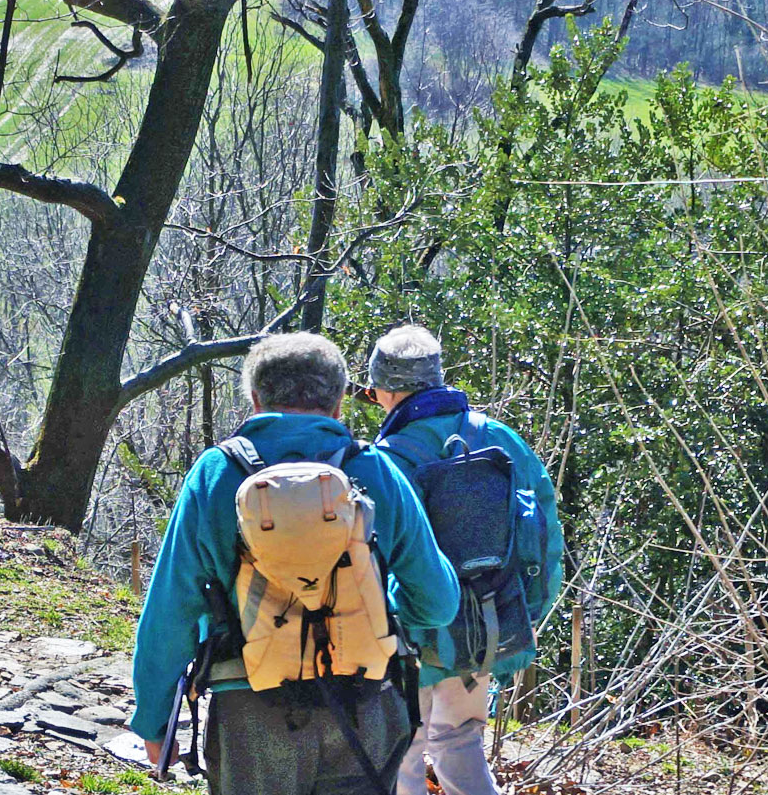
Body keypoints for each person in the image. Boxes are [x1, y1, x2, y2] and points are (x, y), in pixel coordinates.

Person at [129, 333, 458, 795]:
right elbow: (439, 603)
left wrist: (153, 717)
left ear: (255, 398)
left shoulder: (216, 474)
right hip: (365, 702)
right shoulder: (376, 469)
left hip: (251, 708)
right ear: (340, 402)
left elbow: (170, 610)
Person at [357, 327, 562, 795]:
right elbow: (545, 530)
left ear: (384, 388)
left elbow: (373, 557)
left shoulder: (385, 458)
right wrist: (528, 612)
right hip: (488, 619)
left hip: (410, 634)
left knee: (402, 750)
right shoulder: (500, 438)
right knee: (460, 741)